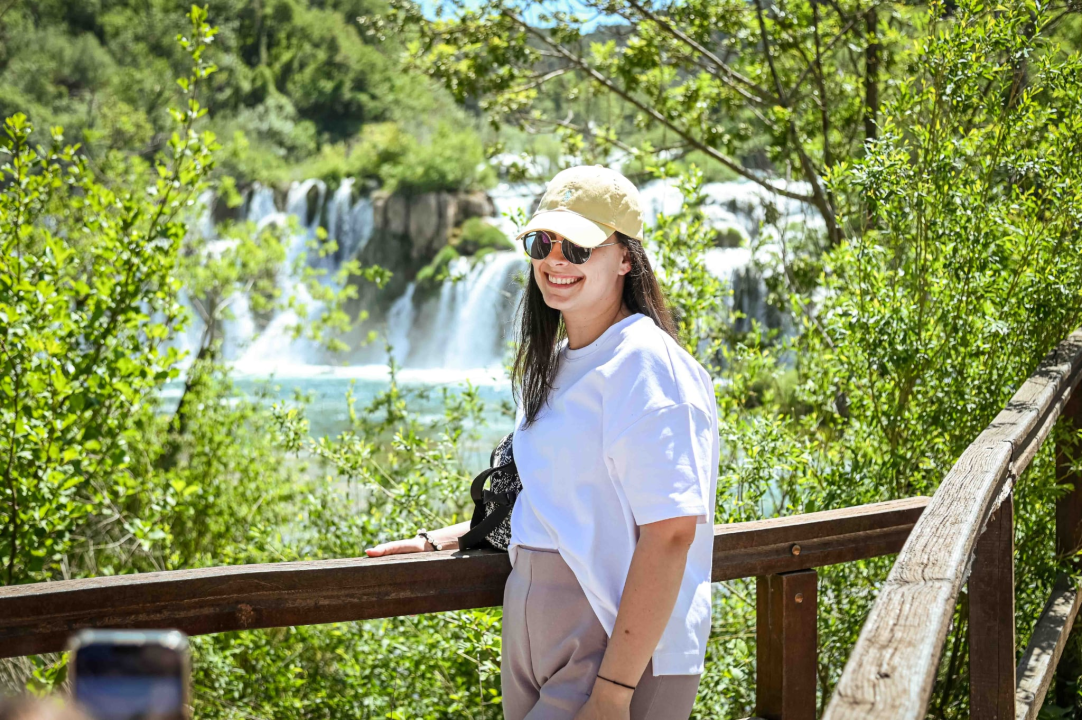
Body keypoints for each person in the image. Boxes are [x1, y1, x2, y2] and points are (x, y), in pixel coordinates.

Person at [366, 165, 719, 720]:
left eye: (578, 247)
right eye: (542, 241)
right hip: (540, 641)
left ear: (626, 258)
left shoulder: (646, 365)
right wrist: (446, 540)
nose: (555, 259)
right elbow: (551, 501)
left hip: (612, 647)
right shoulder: (557, 366)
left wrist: (614, 691)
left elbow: (672, 532)